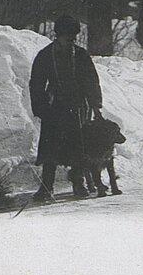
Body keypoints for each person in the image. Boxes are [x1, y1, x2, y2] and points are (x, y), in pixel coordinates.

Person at [28, 14, 104, 202]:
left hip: (78, 107)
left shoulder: (80, 55)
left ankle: (78, 183)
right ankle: (46, 186)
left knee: (78, 145)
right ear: (58, 35)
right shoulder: (45, 55)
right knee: (50, 147)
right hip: (54, 109)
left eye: (74, 36)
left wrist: (95, 105)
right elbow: (36, 83)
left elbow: (91, 81)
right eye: (67, 36)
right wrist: (41, 107)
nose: (71, 39)